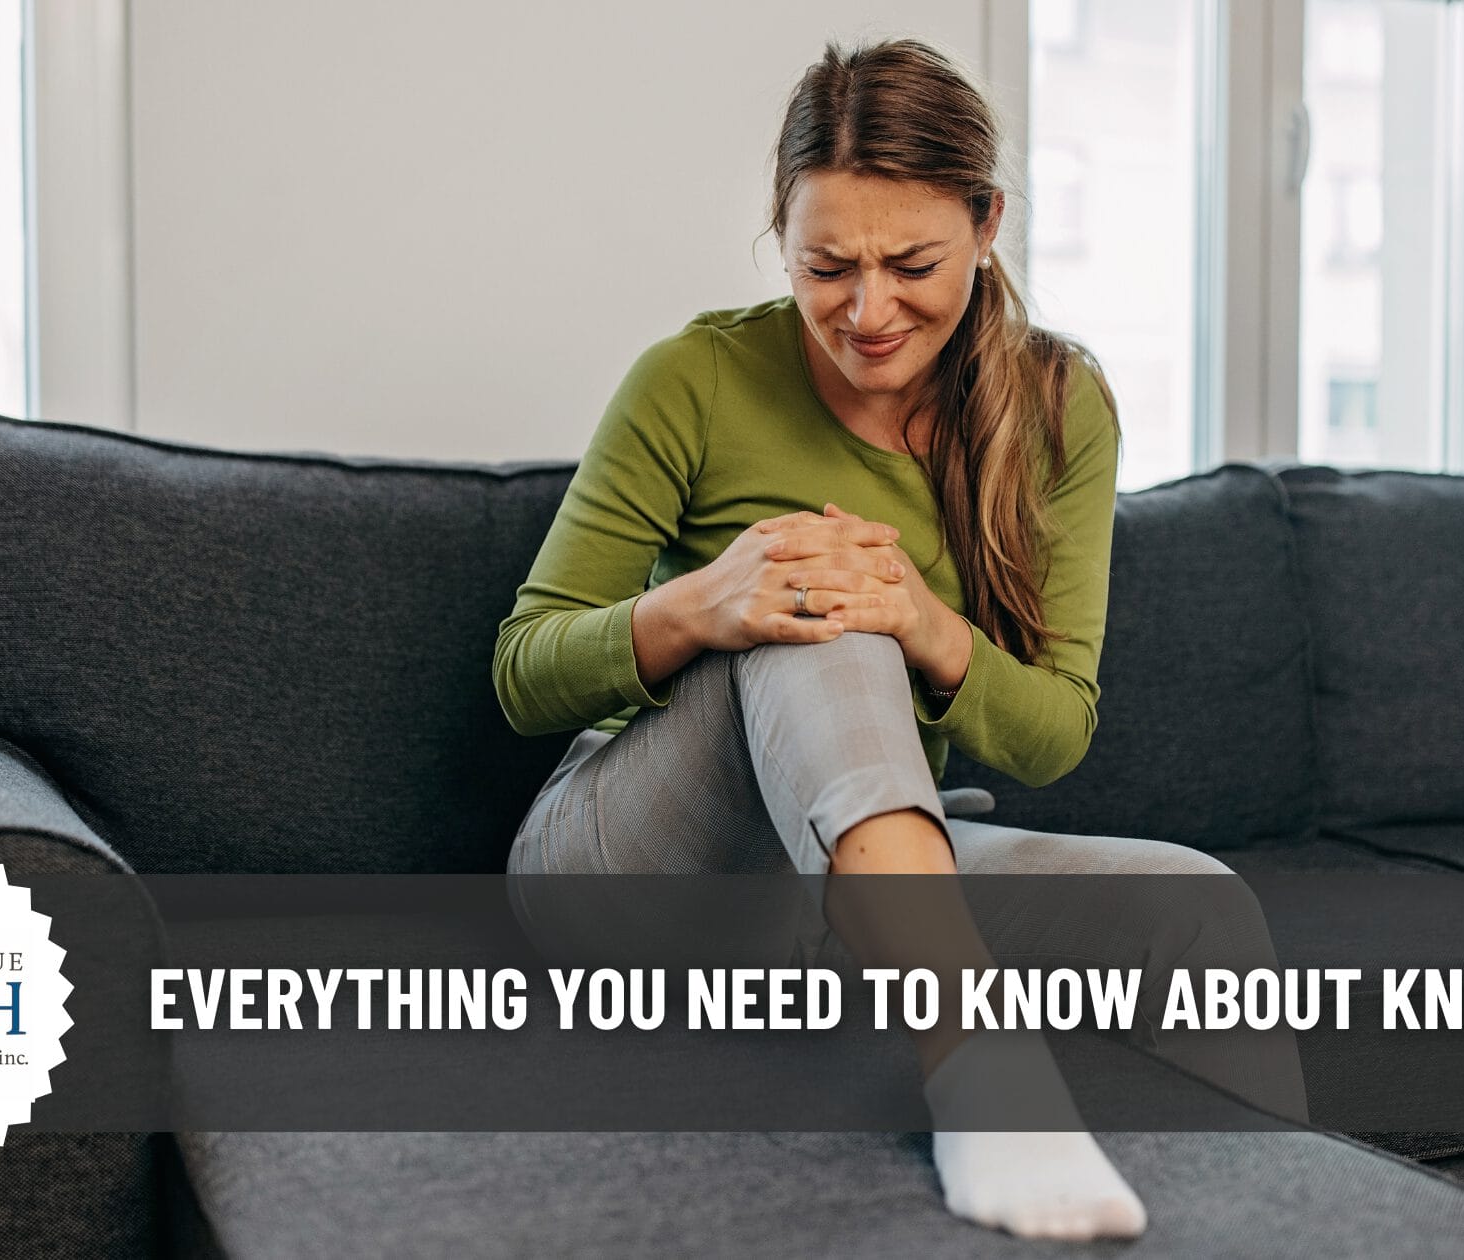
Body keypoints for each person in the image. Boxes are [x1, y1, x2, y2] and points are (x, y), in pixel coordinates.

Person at [494, 36, 1305, 1243]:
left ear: (984, 225)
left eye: (911, 263)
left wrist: (929, 628)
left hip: (841, 873)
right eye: (826, 267)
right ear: (781, 240)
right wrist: (706, 604)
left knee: (1193, 908)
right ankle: (979, 1070)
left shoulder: (1056, 408)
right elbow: (523, 673)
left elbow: (1051, 733)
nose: (867, 312)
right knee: (819, 587)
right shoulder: (694, 379)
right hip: (628, 878)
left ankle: (1296, 1221)